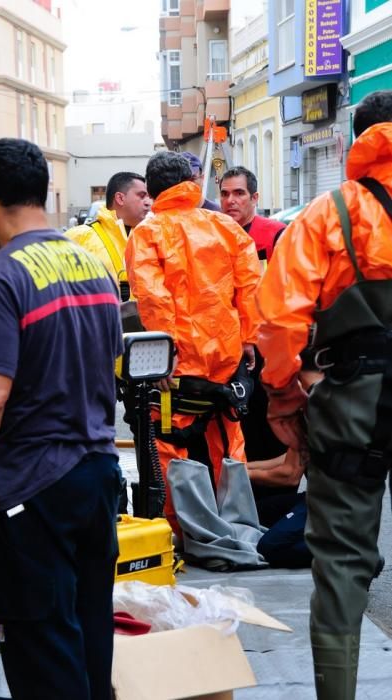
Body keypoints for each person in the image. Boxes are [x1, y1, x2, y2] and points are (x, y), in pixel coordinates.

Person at [0, 138, 123, 700]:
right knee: (90, 638)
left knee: (42, 650)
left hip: (35, 490)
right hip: (97, 477)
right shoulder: (95, 267)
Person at [256, 90, 392, 699]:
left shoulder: (327, 214)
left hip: (353, 402)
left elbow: (281, 323)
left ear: (354, 142)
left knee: (341, 560)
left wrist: (284, 399)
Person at [125, 150, 261, 535]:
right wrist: (248, 339)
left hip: (178, 364)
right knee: (229, 438)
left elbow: (153, 299)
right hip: (226, 355)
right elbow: (249, 287)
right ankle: (237, 525)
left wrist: (162, 357)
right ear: (193, 184)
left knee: (170, 444)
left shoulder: (148, 233)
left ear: (151, 190)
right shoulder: (226, 228)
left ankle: (181, 532)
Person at [66, 172, 151, 300]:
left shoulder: (151, 238)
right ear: (120, 198)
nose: (148, 203)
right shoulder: (79, 238)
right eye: (142, 196)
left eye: (149, 197)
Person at [220, 166, 286, 265]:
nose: (230, 201)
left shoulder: (276, 233)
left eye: (239, 193)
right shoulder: (212, 234)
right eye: (225, 194)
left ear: (254, 198)